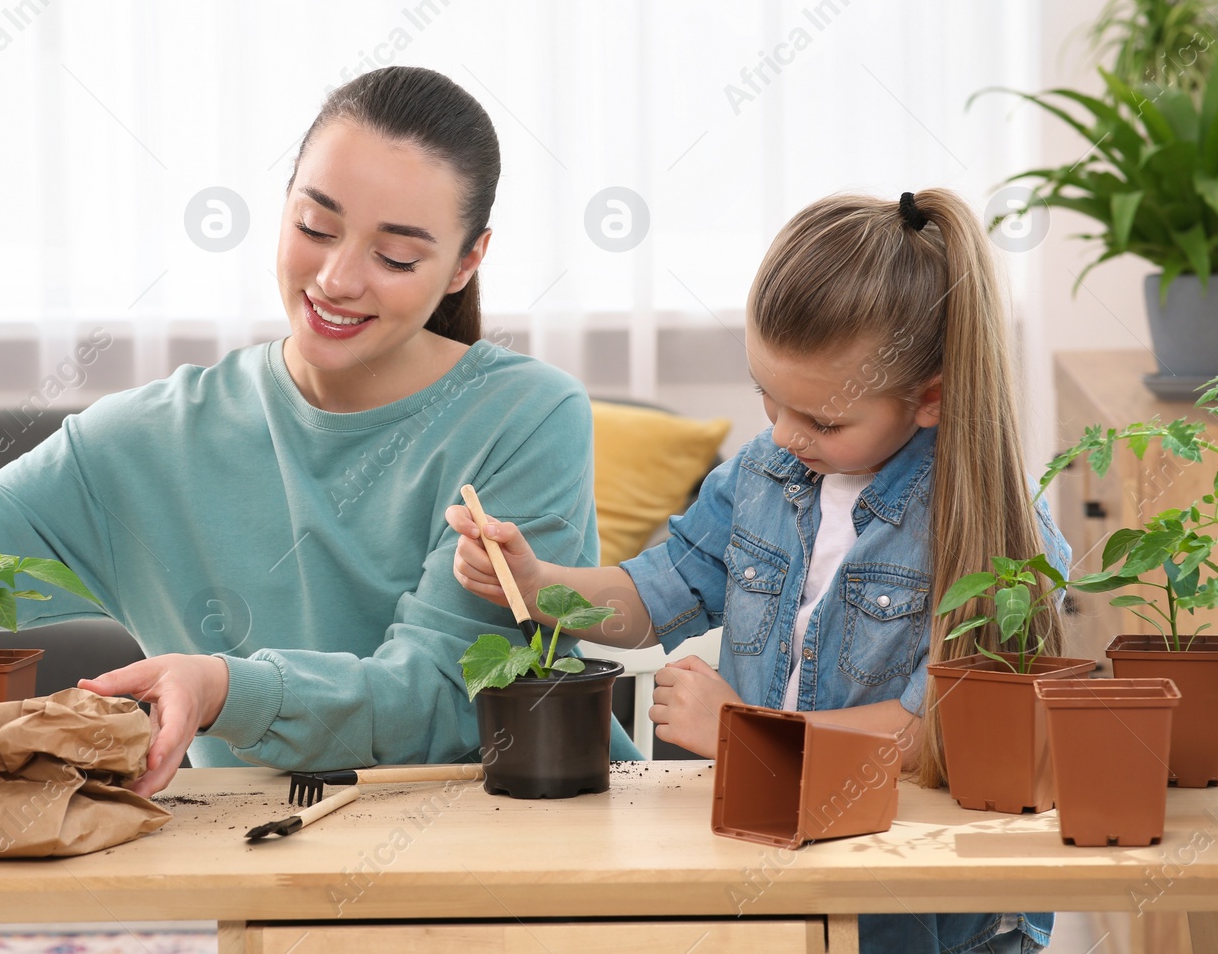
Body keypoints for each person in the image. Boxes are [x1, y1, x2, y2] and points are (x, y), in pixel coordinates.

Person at [0, 65, 642, 797]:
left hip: (531, 832)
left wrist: (220, 687)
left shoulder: (526, 417)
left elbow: (440, 697)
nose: (337, 278)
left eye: (396, 256)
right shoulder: (153, 439)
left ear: (467, 262)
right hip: (276, 862)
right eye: (315, 227)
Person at [447, 189, 1067, 954]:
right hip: (781, 889)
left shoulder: (996, 524)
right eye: (766, 398)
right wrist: (538, 582)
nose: (782, 435)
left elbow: (927, 735)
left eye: (823, 421)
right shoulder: (764, 474)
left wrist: (746, 736)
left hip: (926, 912)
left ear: (929, 396)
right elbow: (655, 591)